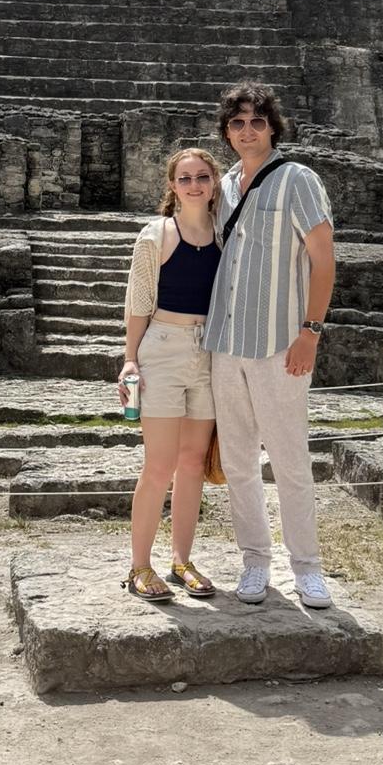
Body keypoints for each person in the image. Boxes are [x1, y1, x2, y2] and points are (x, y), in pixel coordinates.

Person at [204, 82, 336, 609]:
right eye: (237, 123)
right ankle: (255, 561)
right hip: (226, 341)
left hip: (280, 342)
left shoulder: (298, 180)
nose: (247, 130)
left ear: (273, 127)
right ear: (227, 132)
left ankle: (307, 568)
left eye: (257, 121)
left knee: (289, 460)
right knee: (238, 461)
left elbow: (323, 259)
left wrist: (311, 332)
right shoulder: (227, 185)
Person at [116, 147, 223, 601]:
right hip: (162, 347)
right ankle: (140, 566)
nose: (194, 185)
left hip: (209, 353)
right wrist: (129, 360)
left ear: (214, 183)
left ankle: (182, 560)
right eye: (185, 178)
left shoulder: (225, 234)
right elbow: (138, 302)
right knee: (159, 465)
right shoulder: (155, 235)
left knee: (193, 463)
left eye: (202, 176)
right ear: (172, 186)